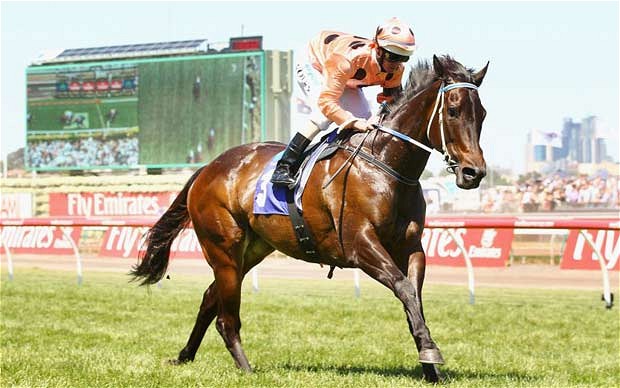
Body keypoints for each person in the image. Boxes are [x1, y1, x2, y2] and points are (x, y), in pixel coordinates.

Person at [271, 17, 416, 186]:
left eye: (403, 58)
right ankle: (284, 166)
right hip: (316, 64)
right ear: (378, 49)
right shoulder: (346, 60)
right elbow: (326, 102)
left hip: (345, 78)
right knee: (323, 116)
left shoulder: (397, 69)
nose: (396, 63)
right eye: (392, 56)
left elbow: (393, 102)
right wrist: (350, 121)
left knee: (367, 120)